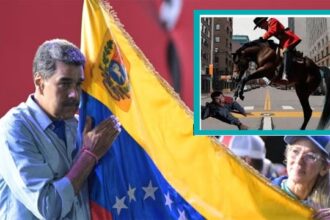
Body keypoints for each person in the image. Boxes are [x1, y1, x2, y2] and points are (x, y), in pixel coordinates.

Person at [0, 39, 121, 219]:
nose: (74, 94)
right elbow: (49, 208)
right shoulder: (13, 129)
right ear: (40, 83)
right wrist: (88, 156)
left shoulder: (80, 126)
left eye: (78, 84)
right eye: (64, 84)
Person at [272, 136, 330, 220]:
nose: (299, 161)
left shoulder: (323, 209)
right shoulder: (262, 193)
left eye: (310, 156)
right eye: (295, 151)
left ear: (324, 168)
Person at [253, 17, 301, 81]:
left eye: (260, 25)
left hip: (289, 39)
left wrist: (263, 37)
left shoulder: (273, 21)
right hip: (283, 41)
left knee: (285, 51)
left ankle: (285, 74)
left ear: (264, 22)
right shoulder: (268, 27)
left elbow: (272, 31)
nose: (260, 28)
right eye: (259, 27)